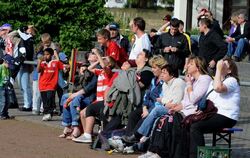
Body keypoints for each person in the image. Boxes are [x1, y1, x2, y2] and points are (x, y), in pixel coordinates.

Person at [189, 58, 240, 158]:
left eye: (224, 65)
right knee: (188, 123)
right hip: (214, 114)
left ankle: (198, 156)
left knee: (196, 127)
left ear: (229, 70)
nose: (221, 65)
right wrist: (201, 111)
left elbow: (218, 88)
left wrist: (218, 69)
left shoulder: (232, 80)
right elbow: (209, 100)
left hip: (227, 116)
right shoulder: (214, 82)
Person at [165, 55, 212, 158]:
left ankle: (179, 154)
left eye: (191, 64)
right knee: (167, 119)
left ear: (198, 67)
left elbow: (194, 99)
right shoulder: (193, 80)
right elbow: (186, 101)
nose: (187, 66)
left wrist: (189, 84)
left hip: (197, 112)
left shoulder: (205, 79)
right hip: (187, 111)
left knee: (175, 121)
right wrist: (178, 106)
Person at [72, 48, 117, 143]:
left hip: (103, 101)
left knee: (87, 111)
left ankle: (87, 135)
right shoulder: (100, 72)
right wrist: (97, 60)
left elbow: (104, 66)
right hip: (98, 99)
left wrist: (98, 54)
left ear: (109, 64)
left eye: (106, 59)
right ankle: (87, 134)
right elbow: (89, 68)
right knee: (82, 113)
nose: (103, 60)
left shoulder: (109, 73)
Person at [59, 62, 97, 139]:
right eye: (81, 68)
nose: (82, 70)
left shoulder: (92, 74)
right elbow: (75, 88)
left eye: (84, 68)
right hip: (80, 95)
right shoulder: (79, 76)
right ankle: (68, 125)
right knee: (65, 98)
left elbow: (87, 89)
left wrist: (74, 95)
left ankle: (75, 127)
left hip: (88, 97)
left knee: (73, 102)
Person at [37, 48, 63, 121]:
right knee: (44, 100)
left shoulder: (55, 62)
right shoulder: (42, 63)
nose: (45, 56)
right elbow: (38, 70)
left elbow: (63, 67)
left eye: (47, 54)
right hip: (42, 85)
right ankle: (46, 113)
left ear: (51, 55)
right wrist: (39, 62)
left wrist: (67, 67)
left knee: (50, 99)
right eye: (44, 54)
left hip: (51, 85)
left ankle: (49, 113)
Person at [17, 25, 36, 111]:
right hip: (19, 63)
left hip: (25, 63)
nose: (26, 30)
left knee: (25, 85)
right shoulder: (24, 37)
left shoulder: (29, 38)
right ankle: (27, 103)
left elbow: (19, 30)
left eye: (28, 29)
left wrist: (27, 27)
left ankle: (28, 104)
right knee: (20, 85)